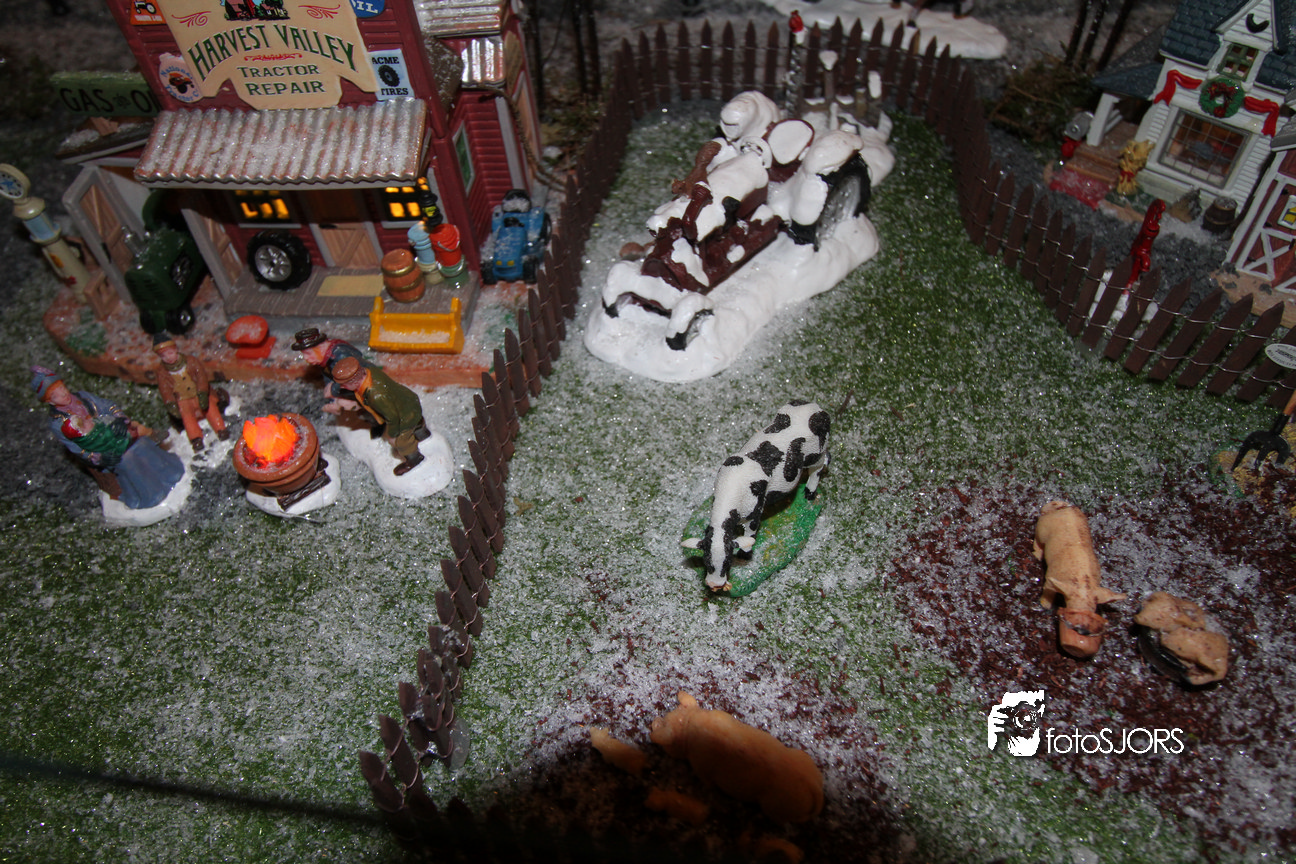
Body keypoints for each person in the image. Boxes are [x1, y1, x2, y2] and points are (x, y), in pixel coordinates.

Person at [32, 366, 184, 510]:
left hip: (114, 433)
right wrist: (96, 457)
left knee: (142, 444)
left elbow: (107, 405)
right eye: (55, 395)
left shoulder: (83, 397)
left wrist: (119, 417)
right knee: (127, 459)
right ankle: (151, 493)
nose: (63, 394)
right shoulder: (58, 424)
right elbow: (76, 448)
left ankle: (170, 472)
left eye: (61, 388)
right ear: (50, 401)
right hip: (102, 450)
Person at [332, 356, 431, 476]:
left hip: (405, 414)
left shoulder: (375, 396)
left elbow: (393, 417)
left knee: (401, 442)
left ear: (354, 381)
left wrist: (393, 434)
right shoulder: (370, 371)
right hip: (408, 400)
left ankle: (414, 459)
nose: (342, 387)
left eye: (344, 385)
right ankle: (423, 434)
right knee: (417, 422)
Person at [153, 333, 228, 452]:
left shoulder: (191, 361)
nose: (168, 357)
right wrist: (171, 404)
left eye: (170, 353)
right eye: (163, 356)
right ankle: (196, 438)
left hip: (198, 393)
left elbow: (201, 377)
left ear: (175, 349)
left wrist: (202, 392)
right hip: (183, 399)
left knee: (210, 408)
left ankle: (221, 429)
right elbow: (165, 390)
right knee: (187, 416)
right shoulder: (162, 372)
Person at [290, 327, 379, 417]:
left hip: (371, 387)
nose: (306, 359)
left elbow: (353, 379)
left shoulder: (341, 355)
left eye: (308, 354)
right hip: (355, 391)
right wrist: (333, 399)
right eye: (304, 354)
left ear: (320, 348)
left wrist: (333, 390)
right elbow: (329, 378)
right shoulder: (323, 359)